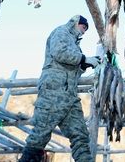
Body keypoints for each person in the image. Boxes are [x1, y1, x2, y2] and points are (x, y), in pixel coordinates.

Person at [19, 15, 102, 162]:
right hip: (53, 92)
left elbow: (72, 67)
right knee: (40, 134)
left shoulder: (75, 44)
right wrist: (84, 59)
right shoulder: (61, 32)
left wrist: (85, 64)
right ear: (77, 23)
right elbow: (60, 53)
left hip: (69, 95)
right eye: (83, 28)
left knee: (80, 136)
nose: (84, 32)